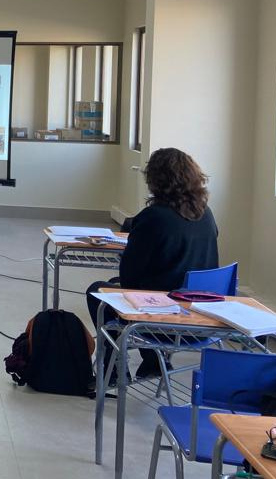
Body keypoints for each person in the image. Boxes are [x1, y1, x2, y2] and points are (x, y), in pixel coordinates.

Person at [86, 147, 219, 379]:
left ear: (155, 181)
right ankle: (154, 362)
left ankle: (115, 369)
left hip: (164, 321)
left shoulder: (154, 217)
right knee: (125, 288)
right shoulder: (206, 214)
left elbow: (129, 279)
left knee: (98, 291)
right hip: (203, 317)